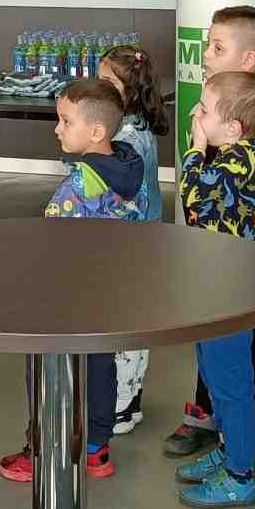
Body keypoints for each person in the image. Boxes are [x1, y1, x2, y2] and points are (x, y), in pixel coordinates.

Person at [0, 78, 144, 483]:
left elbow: (50, 250)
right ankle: (97, 448)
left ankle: (42, 448)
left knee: (46, 369)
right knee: (100, 366)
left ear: (96, 131)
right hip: (107, 290)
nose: (57, 129)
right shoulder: (128, 166)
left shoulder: (77, 188)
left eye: (66, 121)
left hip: (65, 300)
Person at [163, 5, 255, 460]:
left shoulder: (240, 124)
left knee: (235, 339)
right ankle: (218, 418)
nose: (206, 56)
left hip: (237, 252)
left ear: (248, 60)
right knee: (217, 339)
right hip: (218, 252)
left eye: (217, 48)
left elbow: (200, 192)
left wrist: (196, 150)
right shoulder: (226, 112)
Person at [177, 71, 255, 508]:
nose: (195, 115)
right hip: (213, 284)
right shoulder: (235, 154)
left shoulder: (239, 162)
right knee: (215, 376)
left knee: (232, 384)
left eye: (203, 110)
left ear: (233, 128)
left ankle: (240, 474)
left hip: (229, 292)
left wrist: (196, 149)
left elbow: (192, 197)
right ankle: (227, 448)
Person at [100, 44, 167, 433]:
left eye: (107, 80)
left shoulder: (125, 137)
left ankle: (121, 404)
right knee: (135, 323)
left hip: (130, 243)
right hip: (146, 237)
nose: (98, 85)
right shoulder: (139, 125)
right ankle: (130, 398)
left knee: (124, 326)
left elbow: (120, 196)